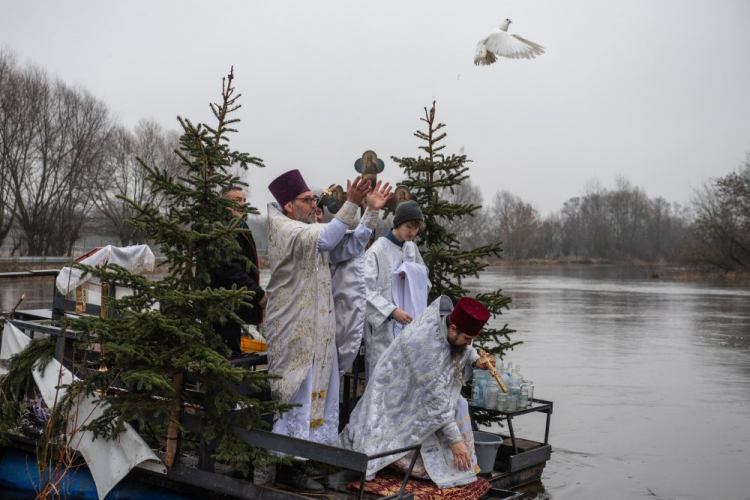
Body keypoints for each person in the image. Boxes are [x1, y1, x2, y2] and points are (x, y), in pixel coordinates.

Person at [265, 169, 391, 491]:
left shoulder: (308, 228)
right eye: (307, 200)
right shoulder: (284, 229)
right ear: (289, 205)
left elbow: (347, 247)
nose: (313, 204)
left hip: (317, 332)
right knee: (299, 396)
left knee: (321, 396)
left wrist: (370, 211)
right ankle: (288, 467)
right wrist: (350, 204)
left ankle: (311, 459)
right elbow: (327, 238)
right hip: (294, 332)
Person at [338, 296, 495, 489]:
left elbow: (463, 349)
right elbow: (435, 401)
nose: (469, 344)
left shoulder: (450, 327)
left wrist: (475, 360)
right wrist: (455, 442)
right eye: (467, 339)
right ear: (453, 329)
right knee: (429, 469)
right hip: (396, 406)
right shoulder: (424, 343)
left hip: (422, 398)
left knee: (459, 406)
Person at [364, 200, 429, 379]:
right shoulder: (377, 252)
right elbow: (365, 291)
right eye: (409, 226)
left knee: (405, 380)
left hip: (408, 324)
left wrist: (411, 275)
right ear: (398, 223)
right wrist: (391, 311)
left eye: (416, 228)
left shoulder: (411, 249)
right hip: (383, 330)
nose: (412, 232)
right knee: (382, 379)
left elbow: (425, 280)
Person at [209, 186, 267, 357]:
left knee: (233, 351)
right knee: (226, 356)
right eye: (237, 200)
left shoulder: (240, 226)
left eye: (244, 200)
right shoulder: (222, 228)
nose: (242, 204)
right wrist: (257, 294)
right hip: (223, 306)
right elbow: (230, 270)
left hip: (234, 307)